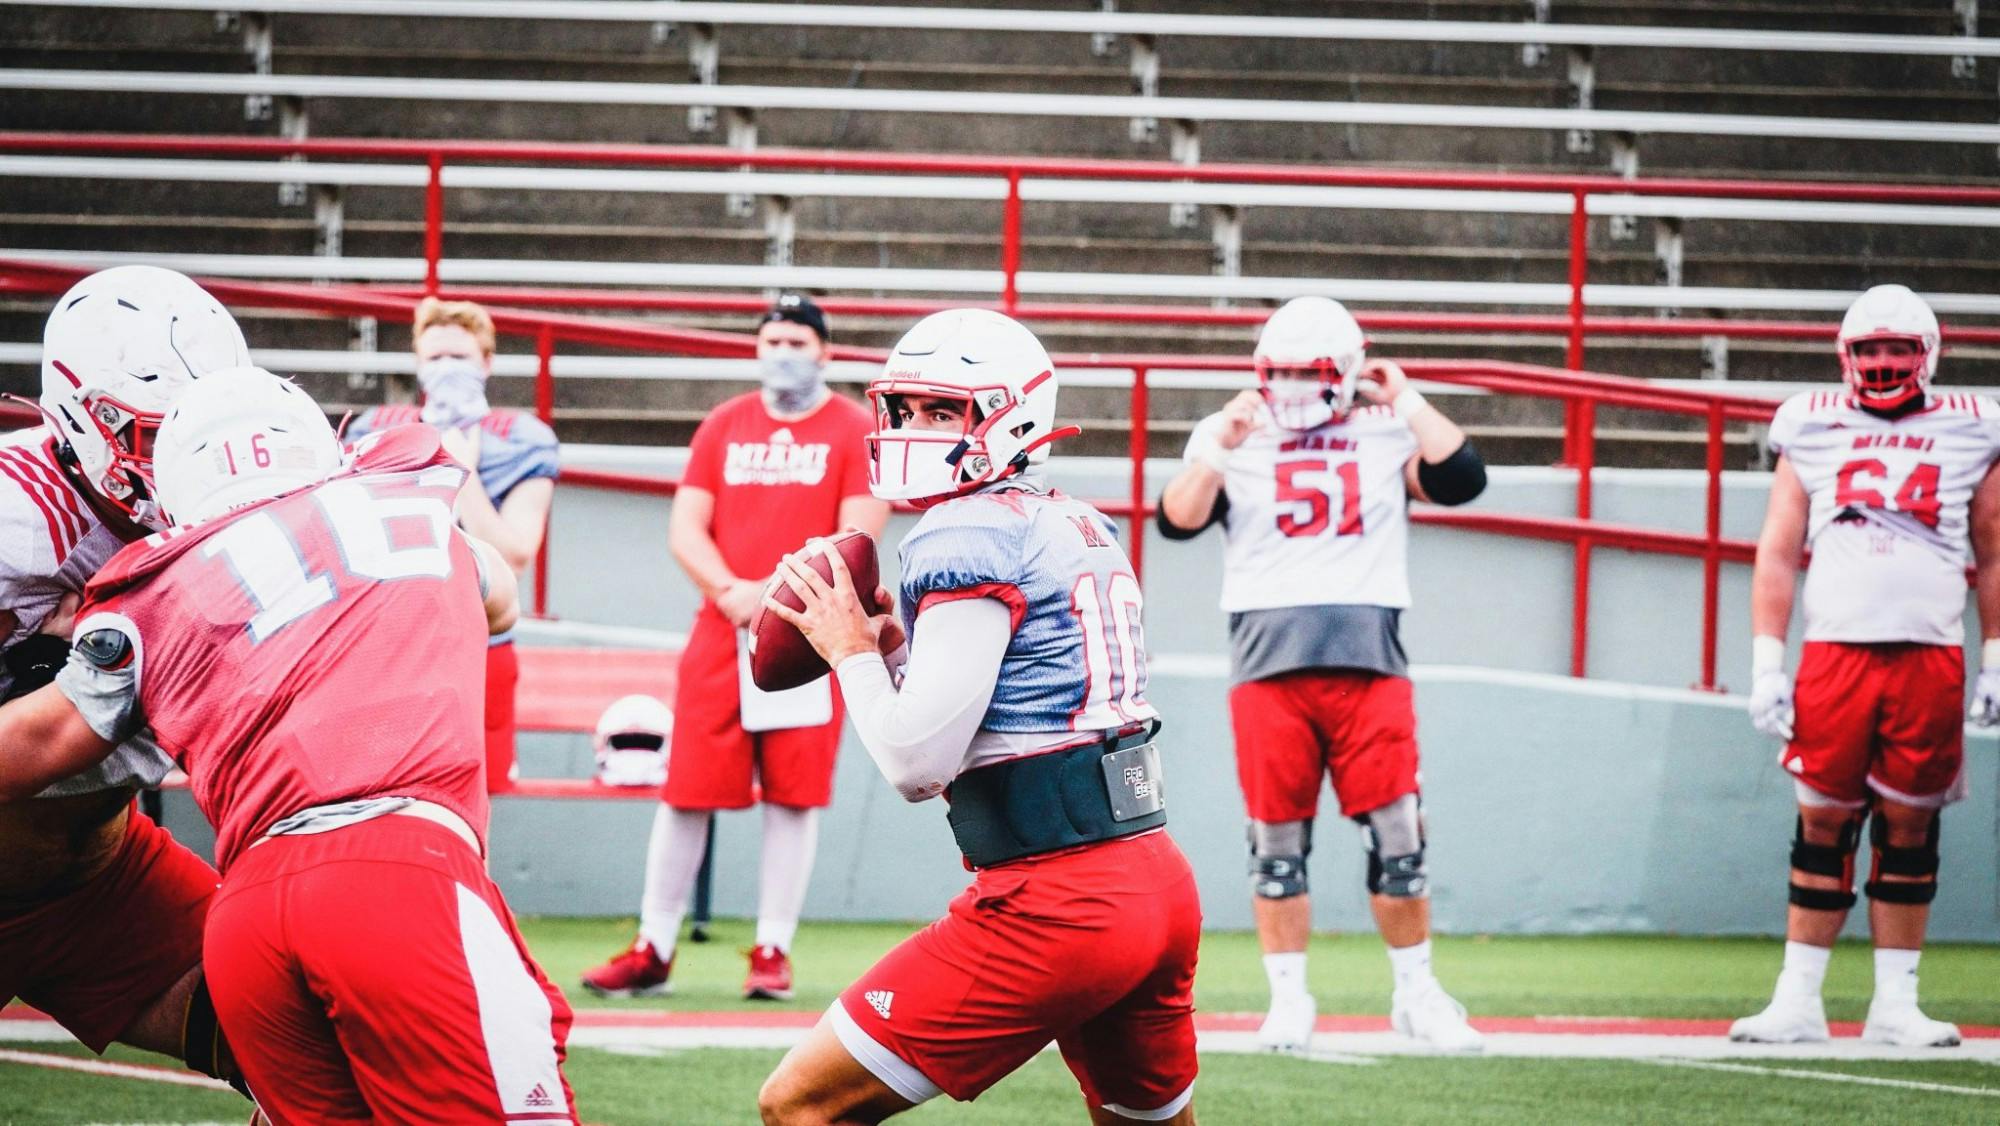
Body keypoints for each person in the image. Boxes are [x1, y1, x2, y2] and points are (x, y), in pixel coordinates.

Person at [0, 367, 578, 1124]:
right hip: (398, 872)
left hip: (251, 912)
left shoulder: (155, 589)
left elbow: (35, 743)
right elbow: (498, 597)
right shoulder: (413, 498)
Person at [756, 308, 1201, 1124]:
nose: (912, 429)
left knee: (799, 1107)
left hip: (1061, 899)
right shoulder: (1074, 520)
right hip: (1155, 880)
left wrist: (849, 651)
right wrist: (892, 651)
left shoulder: (963, 532)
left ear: (1011, 414)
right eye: (905, 410)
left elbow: (914, 764)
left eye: (942, 411)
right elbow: (1020, 699)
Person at [1156, 295, 1488, 1054]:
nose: (1293, 388)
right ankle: (1289, 998)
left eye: (1308, 373)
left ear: (1344, 371)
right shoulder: (1234, 432)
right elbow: (1175, 520)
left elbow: (1463, 475)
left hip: (1369, 655)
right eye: (1279, 373)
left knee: (1399, 835)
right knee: (1275, 841)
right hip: (1267, 661)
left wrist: (1401, 393)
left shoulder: (1384, 429)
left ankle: (1416, 992)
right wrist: (1216, 446)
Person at [582, 294, 887, 1002]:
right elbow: (687, 525)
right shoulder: (725, 423)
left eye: (797, 340)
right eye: (772, 338)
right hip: (722, 630)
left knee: (793, 796)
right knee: (687, 789)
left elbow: (858, 534)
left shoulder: (849, 429)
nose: (783, 351)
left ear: (825, 351)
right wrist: (730, 590)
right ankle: (653, 945)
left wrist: (777, 593)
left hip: (811, 633)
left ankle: (772, 947)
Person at [0, 265, 250, 1091]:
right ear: (82, 415)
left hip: (95, 882)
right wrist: (44, 672)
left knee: (317, 1047)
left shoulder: (240, 498)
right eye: (155, 429)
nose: (183, 454)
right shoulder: (19, 518)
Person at [1735, 284, 2000, 1048]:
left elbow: (1995, 552)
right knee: (1822, 820)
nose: (1882, 364)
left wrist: (1994, 663)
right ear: (1845, 356)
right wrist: (1765, 663)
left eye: (1898, 350)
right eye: (1870, 350)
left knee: (1909, 825)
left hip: (1928, 654)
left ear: (1930, 355)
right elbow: (1778, 552)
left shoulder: (1972, 428)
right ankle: (1798, 998)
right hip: (1837, 652)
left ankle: (1895, 1002)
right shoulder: (1812, 423)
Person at [345, 296, 559, 793]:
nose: (446, 369)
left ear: (486, 363)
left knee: (478, 800)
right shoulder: (376, 432)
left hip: (485, 638)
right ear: (418, 363)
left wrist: (461, 474)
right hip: (395, 640)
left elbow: (516, 555)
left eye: (459, 358)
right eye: (436, 358)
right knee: (388, 795)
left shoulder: (522, 439)